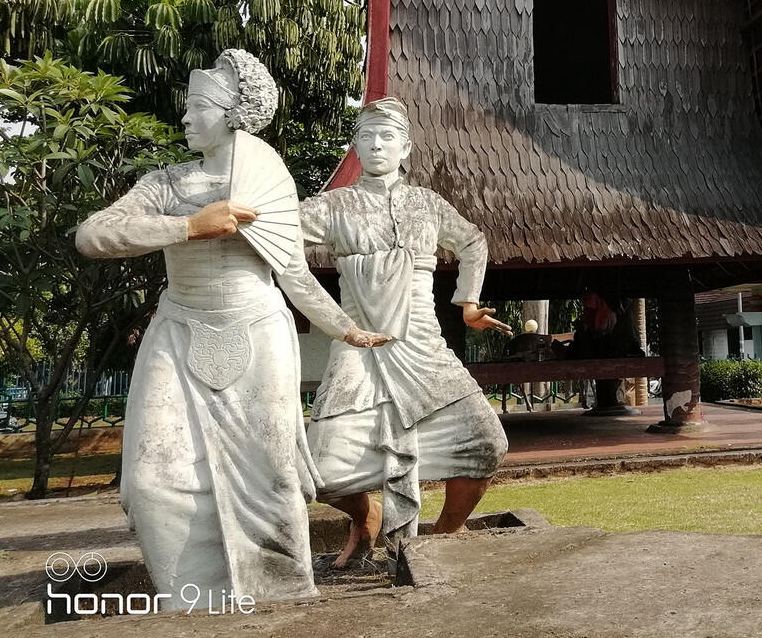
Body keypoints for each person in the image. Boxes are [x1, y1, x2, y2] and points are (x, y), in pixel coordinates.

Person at [75, 49, 388, 609]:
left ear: (232, 115)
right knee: (152, 479)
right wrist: (188, 226)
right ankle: (190, 597)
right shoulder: (166, 183)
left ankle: (280, 592)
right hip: (179, 329)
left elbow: (293, 273)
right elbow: (92, 235)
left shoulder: (268, 184)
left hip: (259, 330)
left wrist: (345, 329)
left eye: (197, 107)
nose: (186, 119)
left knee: (271, 475)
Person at [302, 97, 510, 569]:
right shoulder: (334, 206)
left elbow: (473, 241)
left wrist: (469, 303)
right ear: (354, 145)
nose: (377, 145)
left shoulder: (426, 204)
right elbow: (277, 234)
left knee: (486, 445)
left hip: (423, 346)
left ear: (406, 148)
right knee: (322, 475)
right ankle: (367, 516)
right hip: (358, 348)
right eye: (368, 137)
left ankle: (444, 535)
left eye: (387, 137)